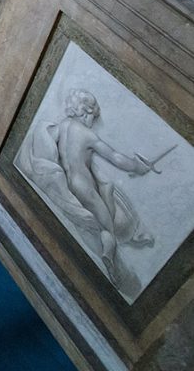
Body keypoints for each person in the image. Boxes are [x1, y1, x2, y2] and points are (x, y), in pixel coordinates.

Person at [16, 89, 157, 290]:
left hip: (71, 185)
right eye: (93, 115)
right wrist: (136, 166)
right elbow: (115, 157)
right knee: (106, 228)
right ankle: (110, 258)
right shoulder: (88, 135)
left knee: (98, 217)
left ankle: (116, 247)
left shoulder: (62, 126)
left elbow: (48, 145)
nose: (94, 119)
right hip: (86, 187)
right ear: (84, 111)